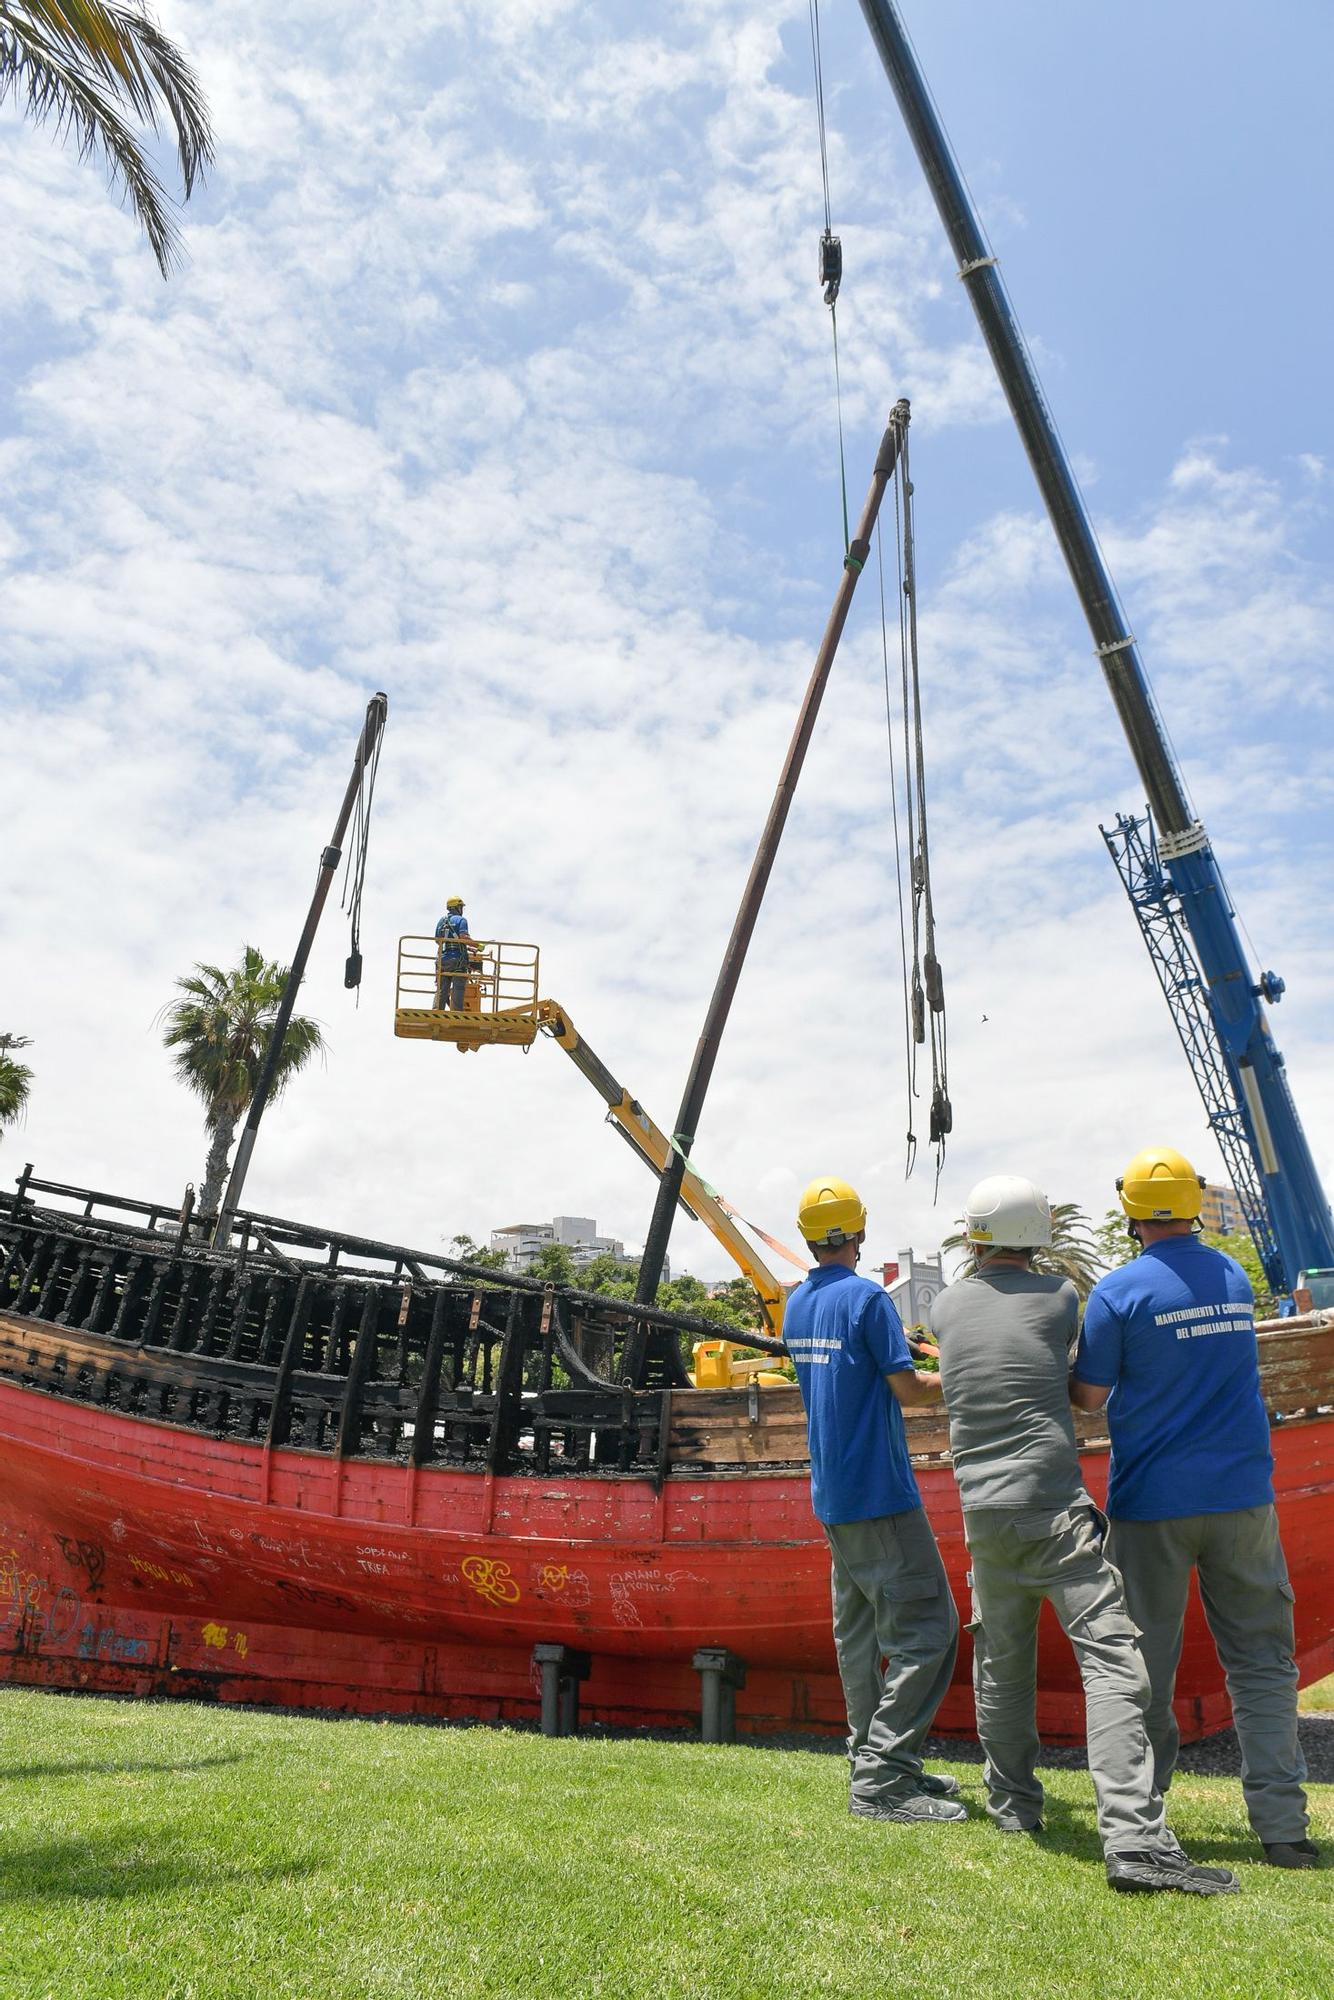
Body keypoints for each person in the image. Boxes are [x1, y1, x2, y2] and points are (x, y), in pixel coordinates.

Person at [929, 1174, 1237, 1895]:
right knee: (1113, 1662)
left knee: (1003, 1664)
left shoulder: (943, 1307)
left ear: (974, 1237)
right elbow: (1077, 1378)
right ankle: (1133, 1838)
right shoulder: (1060, 1297)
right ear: (1040, 1237)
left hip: (982, 1515)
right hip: (1051, 1511)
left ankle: (1012, 1807)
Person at [1072, 1146, 1317, 1872]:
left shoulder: (1116, 1293)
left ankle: (1143, 1820)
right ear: (1190, 1203)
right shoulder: (1234, 1276)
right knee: (1265, 1664)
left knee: (1143, 1666)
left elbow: (1088, 1397)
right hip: (1243, 1499)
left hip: (1151, 1507)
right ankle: (1285, 1833)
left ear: (1131, 1213)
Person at [784, 1175, 964, 1826]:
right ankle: (884, 1782)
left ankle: (874, 1761)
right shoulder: (868, 1299)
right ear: (859, 1232)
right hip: (880, 1494)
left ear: (810, 1235)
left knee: (857, 1635)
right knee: (930, 1632)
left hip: (832, 1494)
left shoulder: (796, 1305)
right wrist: (966, 1375)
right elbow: (910, 1391)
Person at [435, 895, 472, 1009]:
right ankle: (456, 1013)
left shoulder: (441, 921)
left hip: (443, 960)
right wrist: (478, 945)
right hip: (458, 961)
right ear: (457, 908)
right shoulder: (461, 920)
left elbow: (437, 940)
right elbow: (463, 937)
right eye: (461, 907)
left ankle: (437, 1011)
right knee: (458, 989)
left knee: (442, 989)